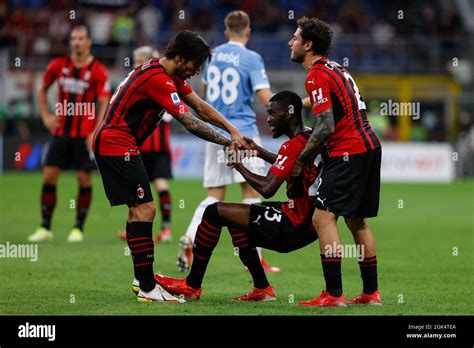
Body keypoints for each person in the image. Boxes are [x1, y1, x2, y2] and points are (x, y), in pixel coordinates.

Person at [93, 30, 248, 302]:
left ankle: (142, 280)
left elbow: (200, 106)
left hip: (116, 143)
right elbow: (189, 121)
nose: (196, 72)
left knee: (137, 210)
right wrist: (227, 142)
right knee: (145, 209)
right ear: (179, 57)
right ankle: (148, 288)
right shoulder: (157, 79)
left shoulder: (166, 75)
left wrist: (233, 130)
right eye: (195, 65)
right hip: (117, 144)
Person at [156, 91, 319, 301]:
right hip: (305, 219)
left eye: (272, 113)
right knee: (235, 219)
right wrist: (258, 151)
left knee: (214, 212)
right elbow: (286, 162)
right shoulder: (309, 137)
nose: (268, 119)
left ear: (289, 113)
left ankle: (192, 285)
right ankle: (261, 288)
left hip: (294, 226)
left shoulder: (292, 145)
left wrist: (238, 166)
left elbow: (267, 189)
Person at [288, 17, 382, 306]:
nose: (290, 42)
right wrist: (296, 103)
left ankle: (333, 294)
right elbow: (334, 103)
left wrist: (301, 161)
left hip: (347, 151)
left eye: (295, 37)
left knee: (322, 217)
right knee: (358, 221)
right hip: (370, 146)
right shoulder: (336, 69)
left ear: (308, 44)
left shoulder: (315, 75)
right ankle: (370, 293)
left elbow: (326, 125)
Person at [177, 10, 279, 274]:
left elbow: (204, 96)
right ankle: (255, 259)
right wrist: (289, 108)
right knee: (251, 194)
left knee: (214, 195)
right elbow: (265, 97)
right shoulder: (252, 58)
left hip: (217, 133)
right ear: (248, 31)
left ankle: (189, 237)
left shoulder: (211, 57)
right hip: (243, 135)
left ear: (225, 31)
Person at [29, 25, 110, 242]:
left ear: (89, 42)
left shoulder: (99, 71)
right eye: (74, 38)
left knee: (84, 179)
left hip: (84, 135)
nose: (76, 42)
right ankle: (45, 227)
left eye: (81, 38)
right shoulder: (58, 65)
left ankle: (78, 228)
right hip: (61, 132)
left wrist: (96, 130)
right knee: (49, 176)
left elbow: (104, 102)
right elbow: (41, 89)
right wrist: (46, 116)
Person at [117, 46, 174, 243]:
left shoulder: (157, 82)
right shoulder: (135, 83)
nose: (135, 65)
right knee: (136, 191)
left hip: (157, 149)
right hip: (138, 148)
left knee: (160, 184)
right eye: (133, 60)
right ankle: (132, 229)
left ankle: (165, 229)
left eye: (139, 60)